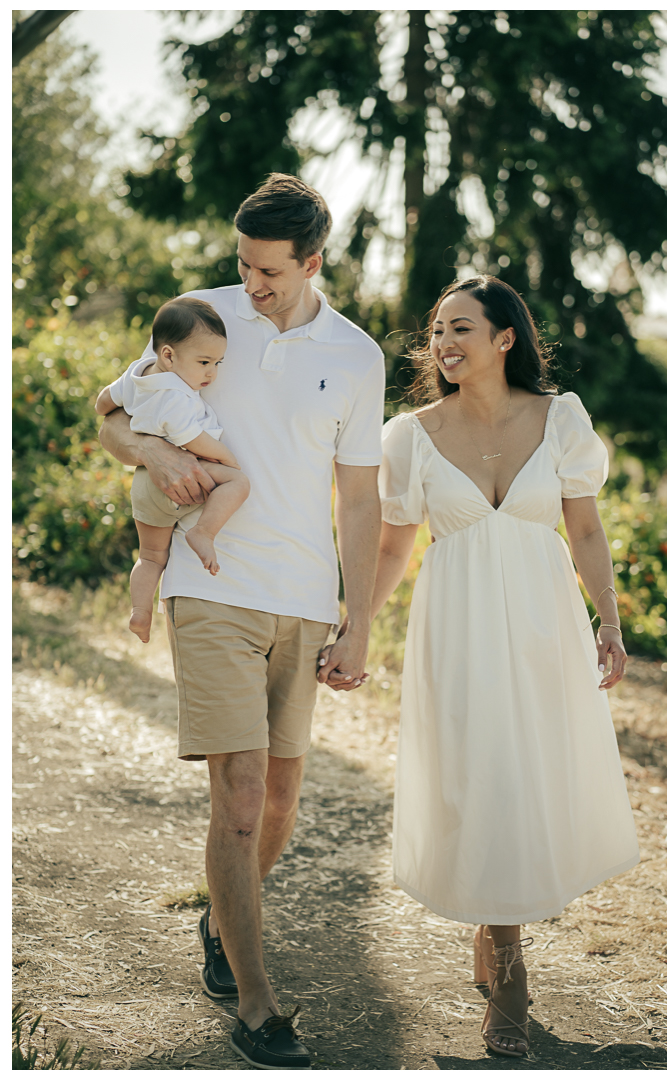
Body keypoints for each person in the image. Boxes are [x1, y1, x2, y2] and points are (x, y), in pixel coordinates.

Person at [98, 173, 385, 1070]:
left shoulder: (356, 354)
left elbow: (361, 497)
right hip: (209, 579)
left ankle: (227, 922)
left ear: (312, 261)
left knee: (284, 799)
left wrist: (361, 621)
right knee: (243, 793)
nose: (251, 286)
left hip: (304, 599)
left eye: (268, 272)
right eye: (243, 266)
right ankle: (257, 1007)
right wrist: (147, 447)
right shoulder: (198, 317)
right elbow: (111, 412)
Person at [369, 275, 639, 1059]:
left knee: (521, 777)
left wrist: (609, 621)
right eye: (436, 331)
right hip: (455, 624)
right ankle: (503, 951)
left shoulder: (562, 420)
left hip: (540, 623)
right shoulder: (409, 434)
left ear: (505, 337)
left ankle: (508, 969)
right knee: (478, 774)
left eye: (461, 328)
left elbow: (584, 529)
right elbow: (394, 544)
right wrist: (356, 630)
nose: (444, 344)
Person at [95, 297, 251, 643]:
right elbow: (191, 438)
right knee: (238, 483)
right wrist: (228, 459)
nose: (212, 373)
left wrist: (118, 406)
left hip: (144, 483)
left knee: (150, 556)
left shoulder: (138, 372)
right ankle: (204, 533)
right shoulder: (175, 393)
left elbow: (103, 403)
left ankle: (140, 611)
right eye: (205, 362)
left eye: (218, 363)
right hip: (184, 471)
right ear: (168, 355)